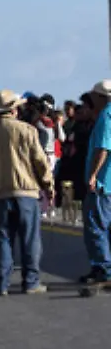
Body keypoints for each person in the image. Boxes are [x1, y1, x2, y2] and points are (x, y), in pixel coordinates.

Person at [0, 90, 53, 295]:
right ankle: (31, 282)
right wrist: (48, 186)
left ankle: (1, 283)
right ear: (14, 110)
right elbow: (40, 162)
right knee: (30, 239)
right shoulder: (27, 131)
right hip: (27, 192)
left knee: (2, 240)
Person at [80, 80, 111, 283]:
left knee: (95, 226)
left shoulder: (106, 116)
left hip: (103, 183)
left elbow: (103, 148)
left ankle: (102, 268)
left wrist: (92, 175)